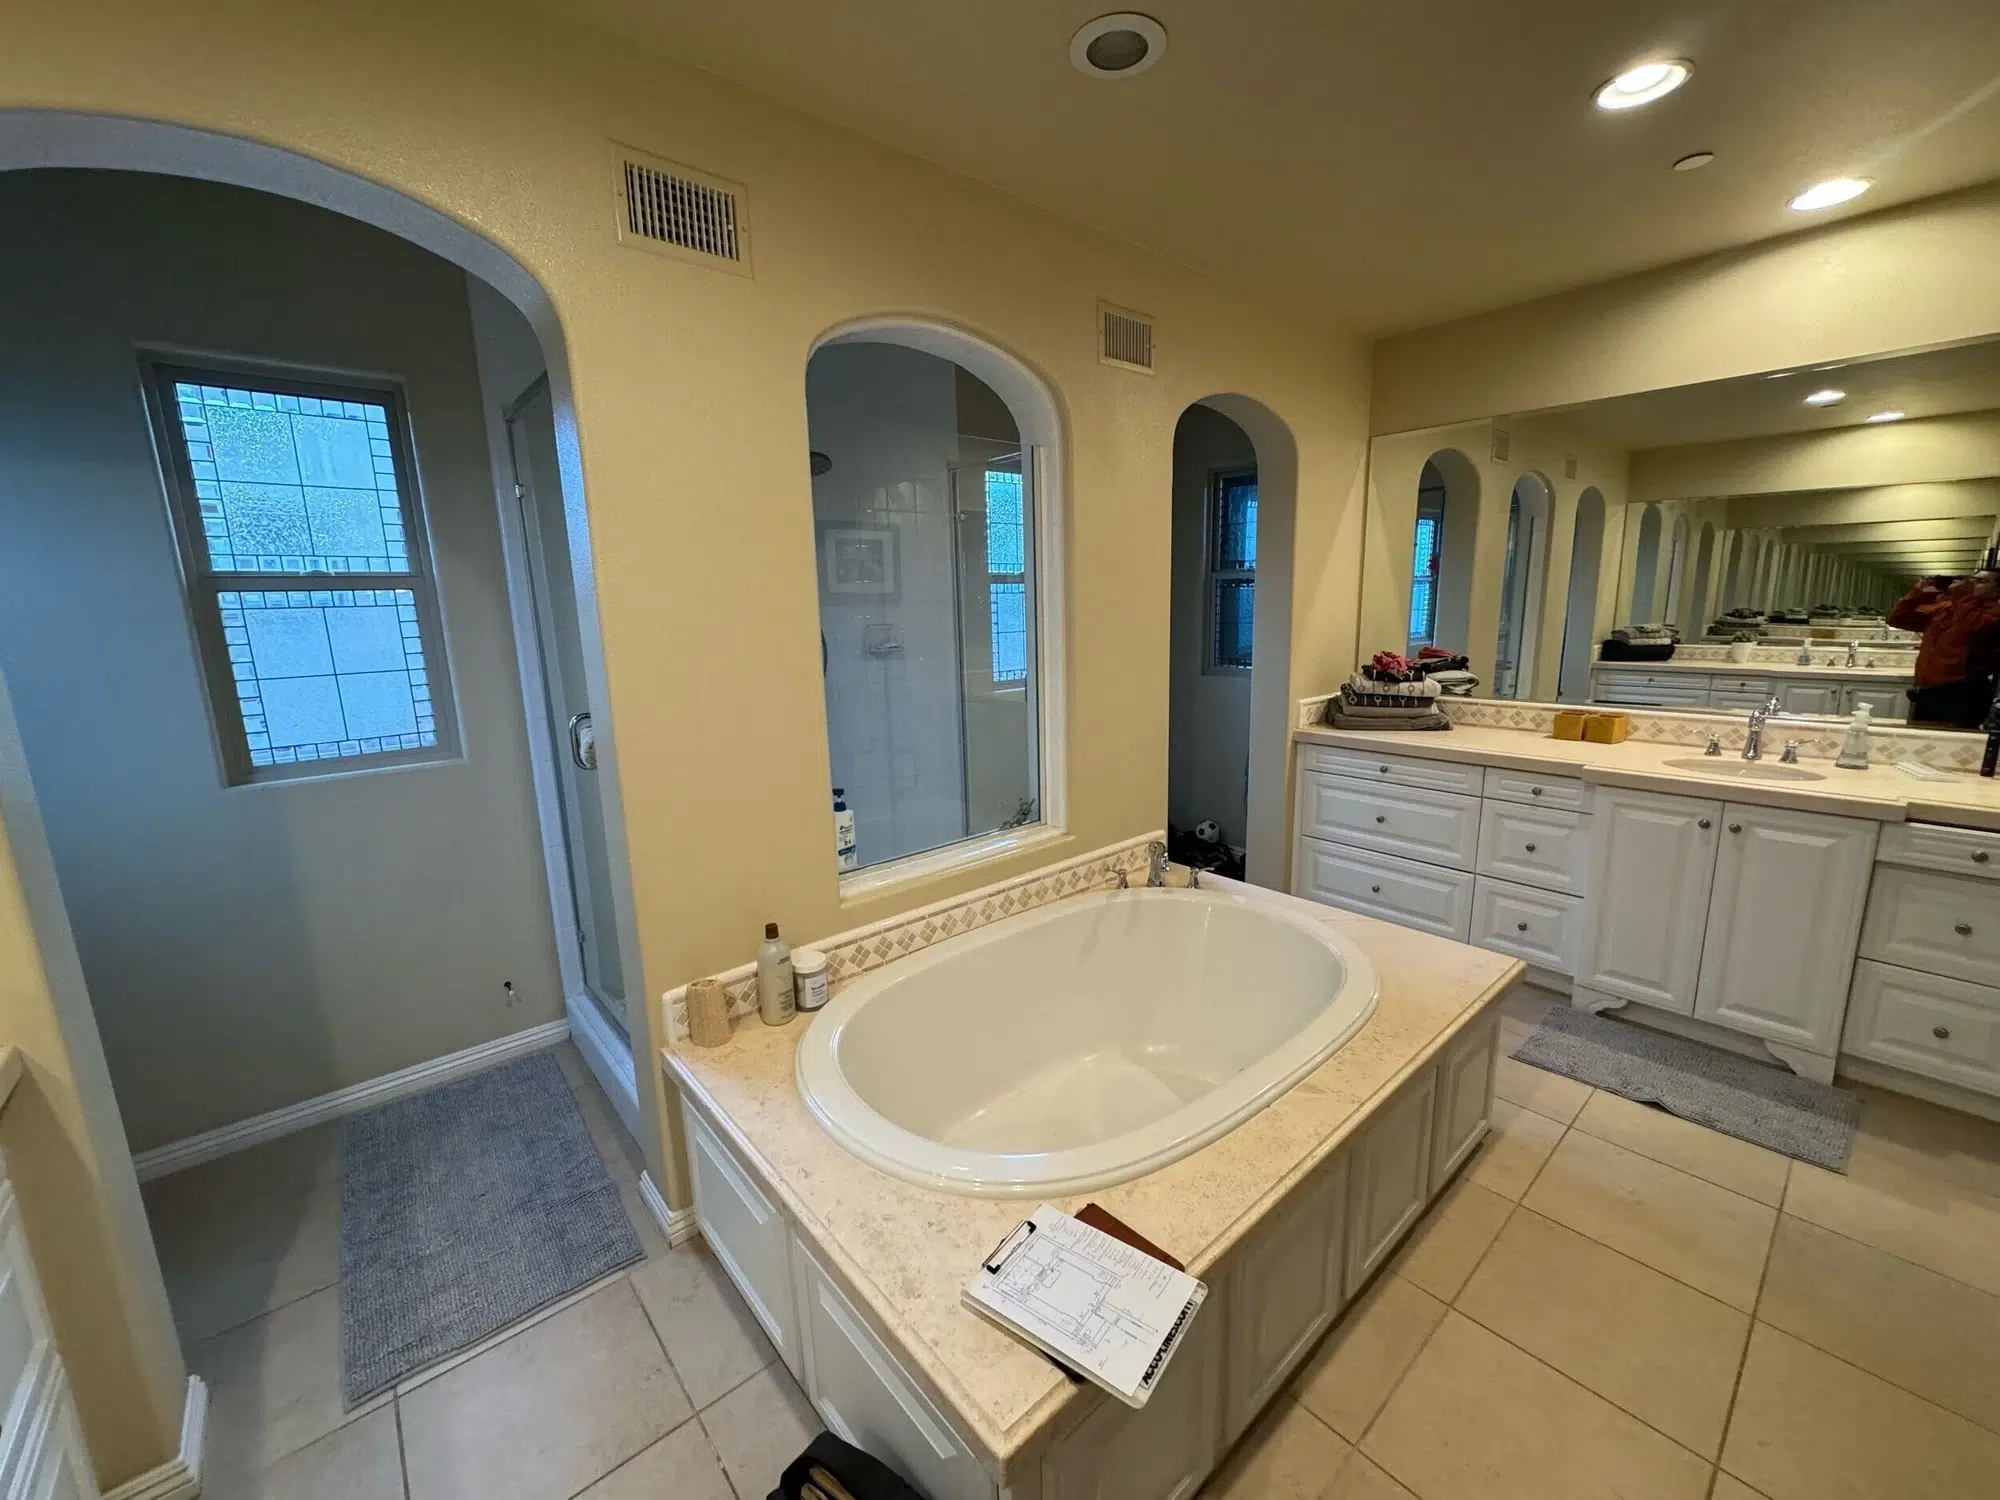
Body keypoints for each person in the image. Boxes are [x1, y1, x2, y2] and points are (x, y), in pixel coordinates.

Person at [1886, 568, 2000, 727]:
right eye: (1972, 579)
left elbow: (1969, 627)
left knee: (1949, 745)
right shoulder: (1948, 608)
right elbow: (1898, 619)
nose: (1971, 583)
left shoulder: (1994, 614)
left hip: (1962, 694)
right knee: (1920, 742)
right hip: (1928, 691)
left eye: (1981, 581)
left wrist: (1963, 596)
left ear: (1996, 591)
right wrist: (1918, 594)